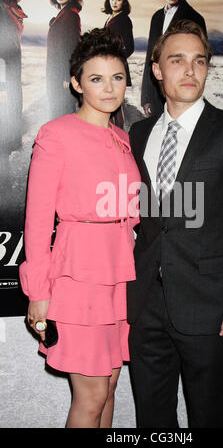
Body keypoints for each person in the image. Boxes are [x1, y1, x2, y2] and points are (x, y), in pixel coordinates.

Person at [127, 19, 223, 428]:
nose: (190, 70)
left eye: (199, 61)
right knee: (152, 420)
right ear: (157, 69)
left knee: (208, 418)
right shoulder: (137, 134)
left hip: (209, 308)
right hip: (145, 305)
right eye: (177, 60)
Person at [19, 27, 141, 428]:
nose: (109, 88)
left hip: (117, 281)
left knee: (107, 393)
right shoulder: (55, 136)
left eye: (117, 77)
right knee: (90, 398)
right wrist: (39, 293)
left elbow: (131, 210)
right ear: (76, 83)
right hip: (77, 278)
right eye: (96, 78)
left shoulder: (123, 139)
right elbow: (37, 222)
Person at [141, 0, 207, 118]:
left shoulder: (195, 18)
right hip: (156, 94)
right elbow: (150, 58)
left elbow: (200, 59)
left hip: (182, 95)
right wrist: (146, 97)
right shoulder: (157, 17)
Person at [46, 0, 82, 120]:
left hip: (62, 76)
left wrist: (67, 76)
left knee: (62, 115)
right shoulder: (64, 13)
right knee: (58, 114)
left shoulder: (71, 15)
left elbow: (72, 47)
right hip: (57, 73)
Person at [0, 0, 27, 154]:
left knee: (14, 100)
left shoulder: (12, 6)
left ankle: (11, 141)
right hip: (2, 60)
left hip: (13, 61)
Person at [102, 0, 134, 129]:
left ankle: (119, 136)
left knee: (115, 104)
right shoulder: (110, 18)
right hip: (106, 67)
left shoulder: (124, 20)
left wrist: (115, 58)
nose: (114, 2)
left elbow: (130, 47)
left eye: (118, 0)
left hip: (115, 68)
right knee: (108, 103)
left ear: (124, 2)